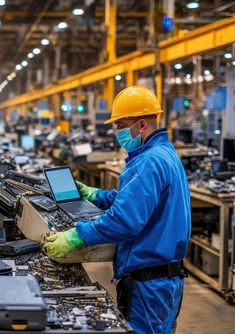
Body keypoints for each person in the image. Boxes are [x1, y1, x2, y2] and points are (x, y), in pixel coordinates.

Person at [42, 86, 191, 333]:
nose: (117, 131)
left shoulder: (148, 162)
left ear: (142, 125)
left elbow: (125, 221)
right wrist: (95, 195)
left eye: (121, 125)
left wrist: (77, 235)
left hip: (149, 283)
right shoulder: (165, 153)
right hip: (167, 279)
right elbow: (137, 201)